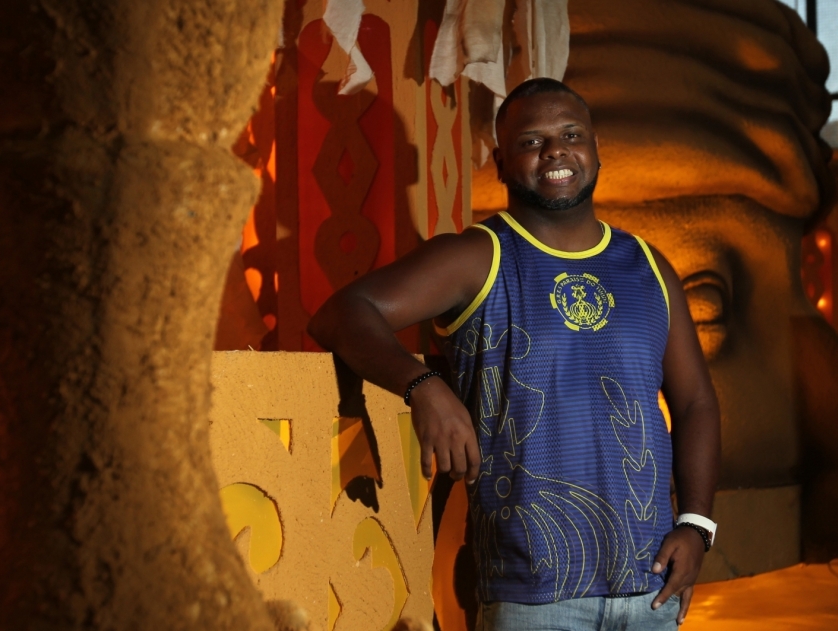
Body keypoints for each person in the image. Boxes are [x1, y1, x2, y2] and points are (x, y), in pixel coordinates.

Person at [307, 78, 720, 630]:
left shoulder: (648, 266)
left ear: (595, 148)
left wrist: (696, 526)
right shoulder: (480, 256)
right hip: (532, 595)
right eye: (532, 141)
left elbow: (695, 402)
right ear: (501, 162)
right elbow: (341, 313)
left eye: (571, 134)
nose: (555, 151)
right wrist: (422, 384)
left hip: (650, 587)